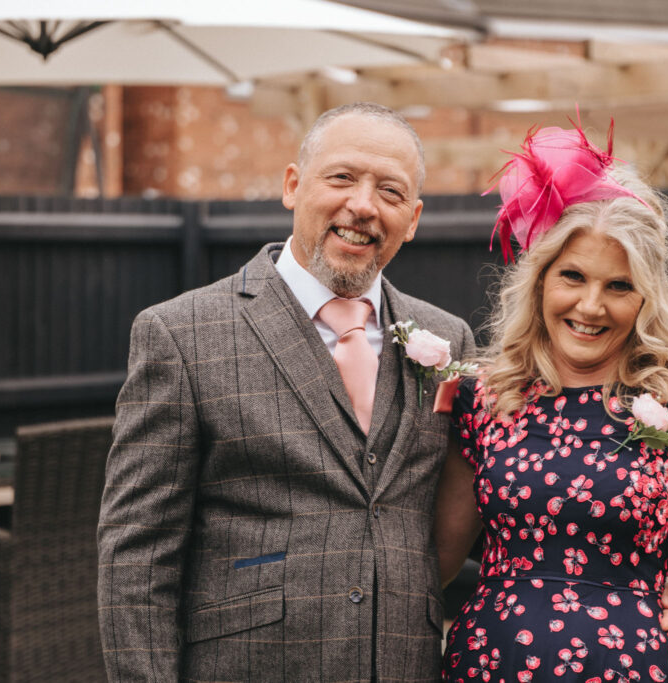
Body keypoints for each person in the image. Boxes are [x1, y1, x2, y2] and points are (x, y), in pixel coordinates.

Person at [96, 102, 476, 681]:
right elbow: (137, 558)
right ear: (293, 185)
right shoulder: (180, 333)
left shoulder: (449, 339)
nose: (363, 206)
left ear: (414, 217)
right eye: (342, 177)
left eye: (391, 192)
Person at [435, 123, 668, 682]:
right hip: (491, 667)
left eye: (619, 287)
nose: (590, 305)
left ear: (647, 298)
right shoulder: (487, 398)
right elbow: (430, 561)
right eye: (573, 277)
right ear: (539, 281)